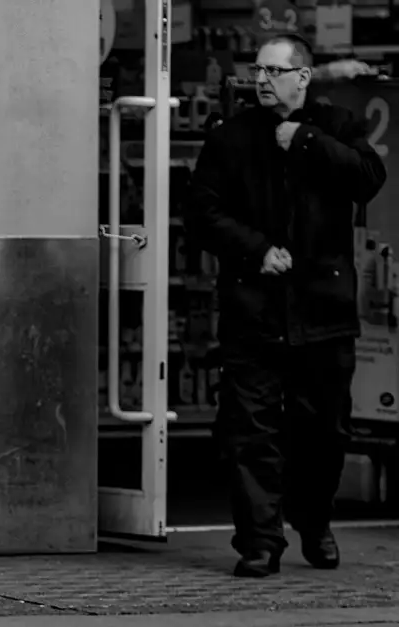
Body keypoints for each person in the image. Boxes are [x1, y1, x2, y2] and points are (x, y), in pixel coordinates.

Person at [186, 34, 387, 578]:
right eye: (258, 70)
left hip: (324, 310)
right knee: (250, 431)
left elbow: (369, 179)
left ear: (302, 77)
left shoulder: (335, 126)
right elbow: (202, 214)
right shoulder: (230, 136)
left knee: (324, 431)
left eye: (274, 71)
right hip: (254, 309)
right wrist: (256, 250)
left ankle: (314, 522)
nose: (262, 80)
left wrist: (305, 140)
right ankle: (259, 541)